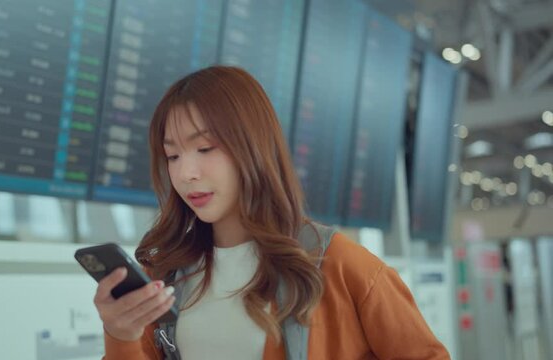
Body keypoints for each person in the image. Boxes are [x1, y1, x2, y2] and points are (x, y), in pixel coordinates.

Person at [93, 66, 450, 359]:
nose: (186, 173)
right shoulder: (167, 276)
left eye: (204, 148)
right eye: (173, 155)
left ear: (253, 147)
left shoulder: (341, 266)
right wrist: (120, 333)